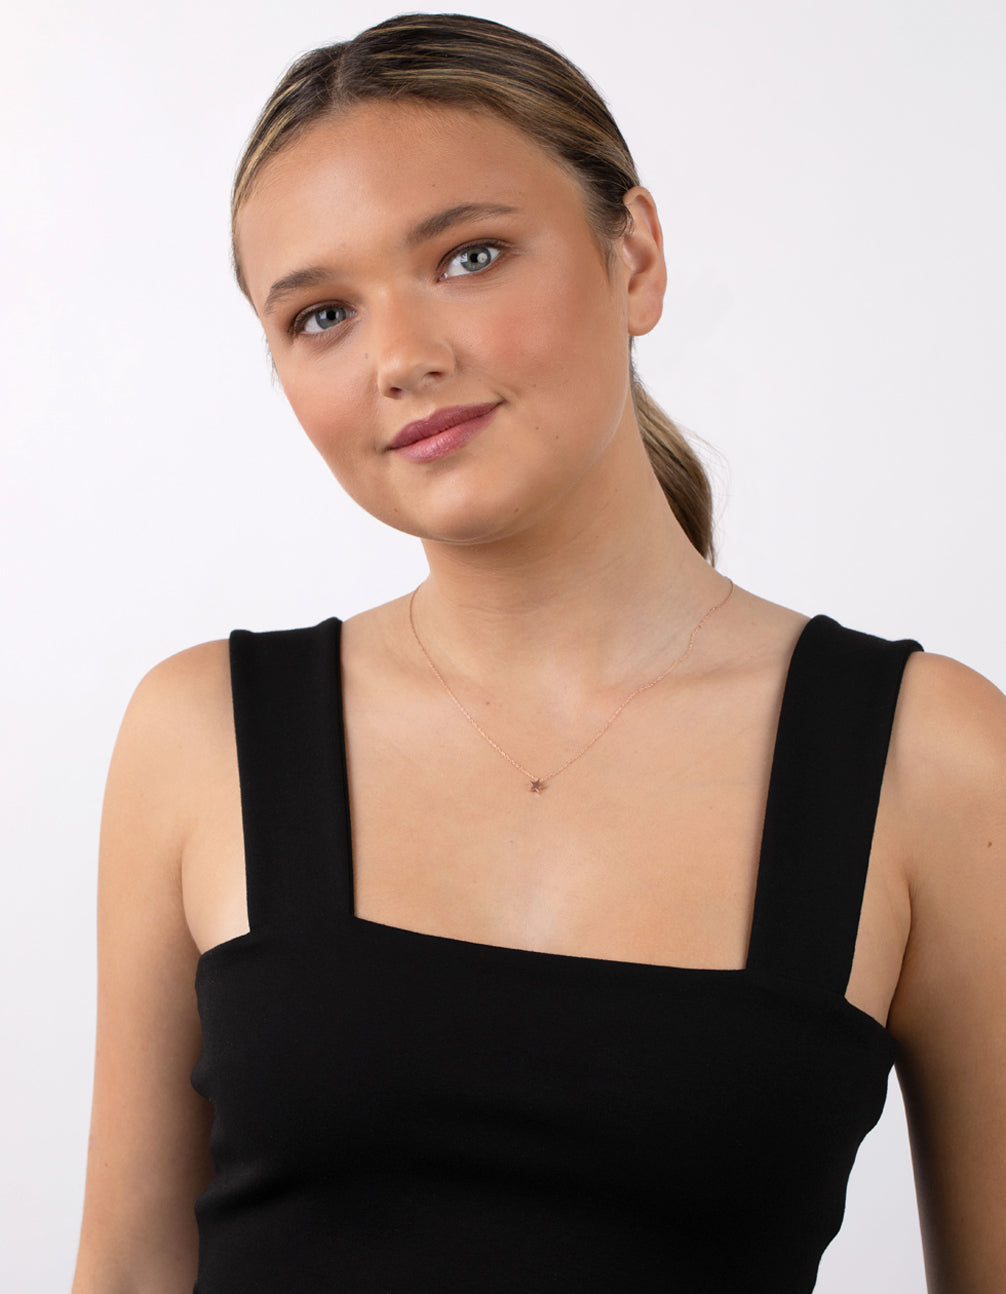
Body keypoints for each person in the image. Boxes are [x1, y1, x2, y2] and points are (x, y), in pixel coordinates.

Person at [71, 13, 1005, 1293]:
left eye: (469, 256)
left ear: (635, 258)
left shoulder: (928, 758)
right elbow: (126, 1270)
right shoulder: (202, 735)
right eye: (323, 314)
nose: (404, 358)